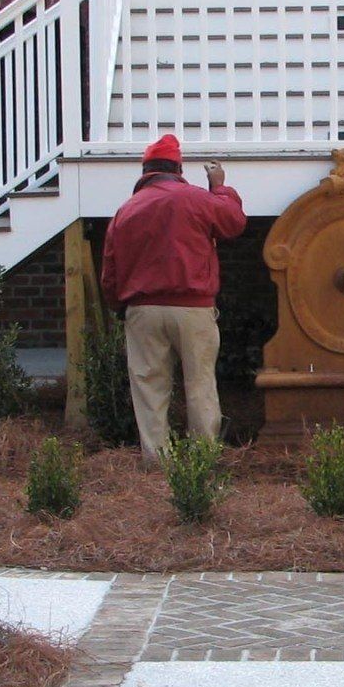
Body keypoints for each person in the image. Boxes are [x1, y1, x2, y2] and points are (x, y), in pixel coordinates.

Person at [99, 134, 247, 458]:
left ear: (145, 171)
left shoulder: (125, 211)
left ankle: (156, 462)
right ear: (177, 168)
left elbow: (110, 270)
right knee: (200, 386)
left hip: (143, 309)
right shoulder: (195, 199)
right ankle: (203, 459)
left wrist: (118, 306)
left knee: (149, 388)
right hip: (193, 309)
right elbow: (233, 222)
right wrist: (220, 187)